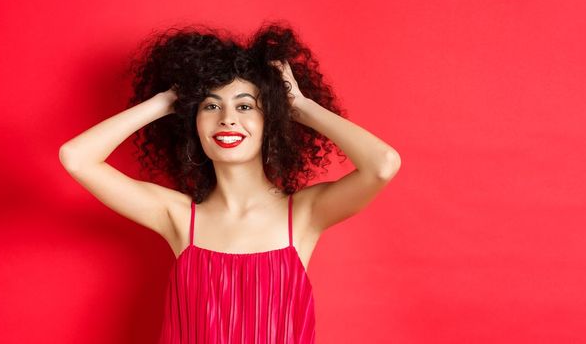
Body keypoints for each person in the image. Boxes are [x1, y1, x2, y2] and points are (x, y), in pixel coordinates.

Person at [59, 21, 400, 343]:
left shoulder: (304, 214)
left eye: (245, 106)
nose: (227, 120)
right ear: (192, 121)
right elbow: (77, 158)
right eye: (211, 106)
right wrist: (165, 102)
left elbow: (382, 165)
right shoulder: (177, 216)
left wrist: (301, 106)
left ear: (273, 119)